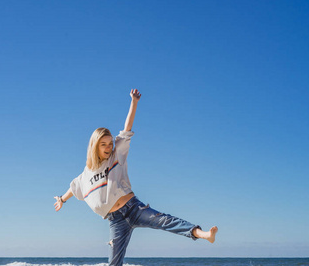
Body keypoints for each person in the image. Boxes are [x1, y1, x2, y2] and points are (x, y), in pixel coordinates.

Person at [54, 89, 217, 266]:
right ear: (95, 146)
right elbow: (74, 187)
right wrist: (62, 199)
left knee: (164, 220)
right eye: (104, 144)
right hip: (115, 221)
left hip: (133, 208)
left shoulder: (117, 156)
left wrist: (134, 103)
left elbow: (127, 129)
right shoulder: (87, 173)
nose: (108, 147)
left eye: (110, 144)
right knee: (114, 263)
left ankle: (202, 234)